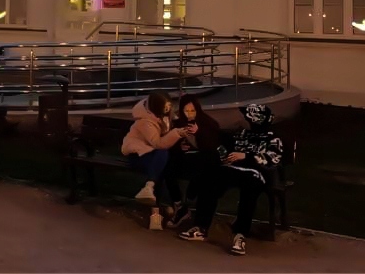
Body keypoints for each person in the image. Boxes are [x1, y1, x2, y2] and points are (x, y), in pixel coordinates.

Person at [179, 103, 284, 256]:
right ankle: (201, 227)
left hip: (255, 173)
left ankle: (240, 235)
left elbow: (273, 159)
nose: (246, 120)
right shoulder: (242, 134)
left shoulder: (272, 138)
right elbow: (222, 144)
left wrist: (246, 156)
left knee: (250, 190)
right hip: (233, 169)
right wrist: (221, 153)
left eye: (249, 118)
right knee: (210, 178)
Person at [121, 91, 190, 230]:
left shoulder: (165, 115)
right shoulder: (145, 121)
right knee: (161, 164)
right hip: (138, 155)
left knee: (161, 165)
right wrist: (177, 133)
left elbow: (169, 133)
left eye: (169, 105)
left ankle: (151, 191)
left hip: (154, 154)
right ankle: (159, 210)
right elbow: (158, 143)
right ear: (157, 107)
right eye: (165, 107)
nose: (168, 109)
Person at [164, 94, 222, 229]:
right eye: (186, 111)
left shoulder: (208, 123)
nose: (189, 114)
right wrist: (179, 146)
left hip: (204, 160)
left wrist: (199, 133)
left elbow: (212, 148)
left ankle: (186, 206)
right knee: (168, 167)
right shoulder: (179, 123)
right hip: (186, 159)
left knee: (202, 168)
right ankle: (179, 205)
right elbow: (170, 144)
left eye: (192, 110)